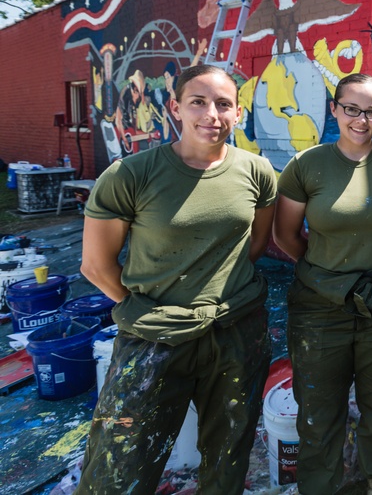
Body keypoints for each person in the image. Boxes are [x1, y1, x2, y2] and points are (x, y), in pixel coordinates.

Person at [77, 64, 277, 495]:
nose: (212, 114)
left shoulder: (257, 170)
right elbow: (95, 265)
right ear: (175, 107)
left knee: (229, 453)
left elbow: (255, 245)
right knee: (119, 459)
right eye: (198, 102)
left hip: (236, 332)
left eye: (224, 104)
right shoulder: (130, 174)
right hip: (153, 337)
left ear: (238, 113)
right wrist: (147, 309)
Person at [273, 73, 372, 495]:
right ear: (335, 109)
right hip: (320, 306)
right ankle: (321, 485)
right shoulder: (307, 165)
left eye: (371, 111)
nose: (362, 119)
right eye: (351, 109)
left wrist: (369, 266)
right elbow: (286, 235)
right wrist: (329, 272)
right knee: (319, 406)